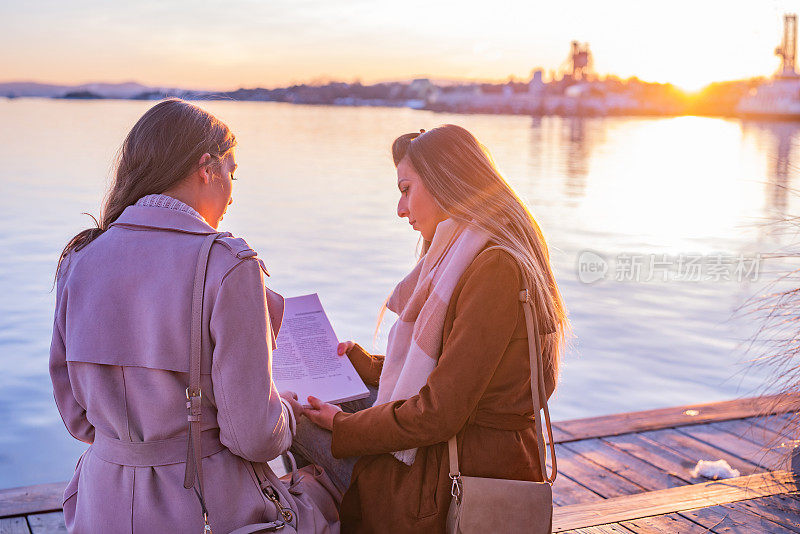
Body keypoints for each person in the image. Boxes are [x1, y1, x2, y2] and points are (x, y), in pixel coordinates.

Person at [50, 99, 336, 533]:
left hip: (98, 508)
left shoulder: (80, 258)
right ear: (207, 168)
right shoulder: (229, 264)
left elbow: (76, 416)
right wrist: (287, 413)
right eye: (231, 173)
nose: (232, 191)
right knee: (331, 497)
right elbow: (253, 436)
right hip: (205, 513)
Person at [302, 124, 570, 532]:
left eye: (406, 189)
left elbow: (439, 412)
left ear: (446, 183)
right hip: (459, 452)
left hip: (452, 477)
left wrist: (341, 425)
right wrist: (365, 365)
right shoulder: (472, 254)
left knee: (291, 417)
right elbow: (456, 373)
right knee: (323, 398)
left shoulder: (494, 268)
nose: (400, 208)